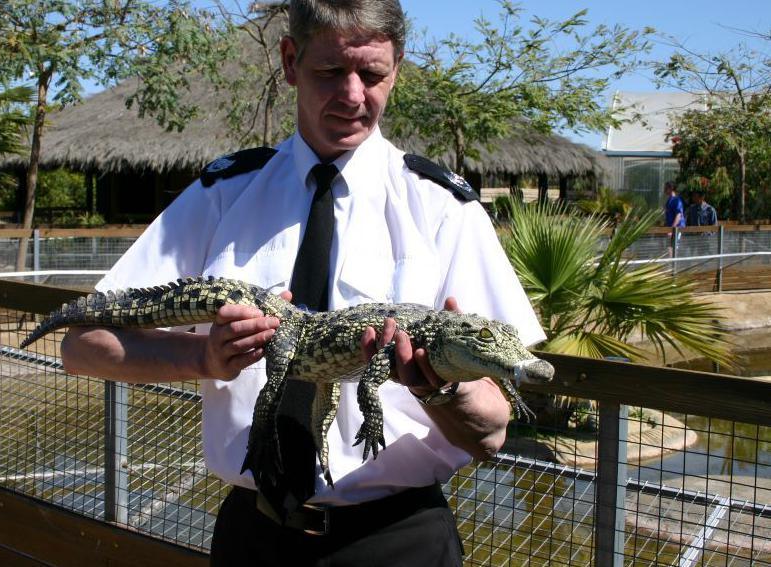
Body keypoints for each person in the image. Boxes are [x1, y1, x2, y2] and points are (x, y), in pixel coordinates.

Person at [60, 1, 545, 565]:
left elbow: (490, 433)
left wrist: (437, 386)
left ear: (398, 68)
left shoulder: (443, 209)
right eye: (330, 72)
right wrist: (205, 358)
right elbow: (80, 344)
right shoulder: (223, 194)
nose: (353, 95)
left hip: (398, 540)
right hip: (254, 536)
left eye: (372, 74)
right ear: (291, 60)